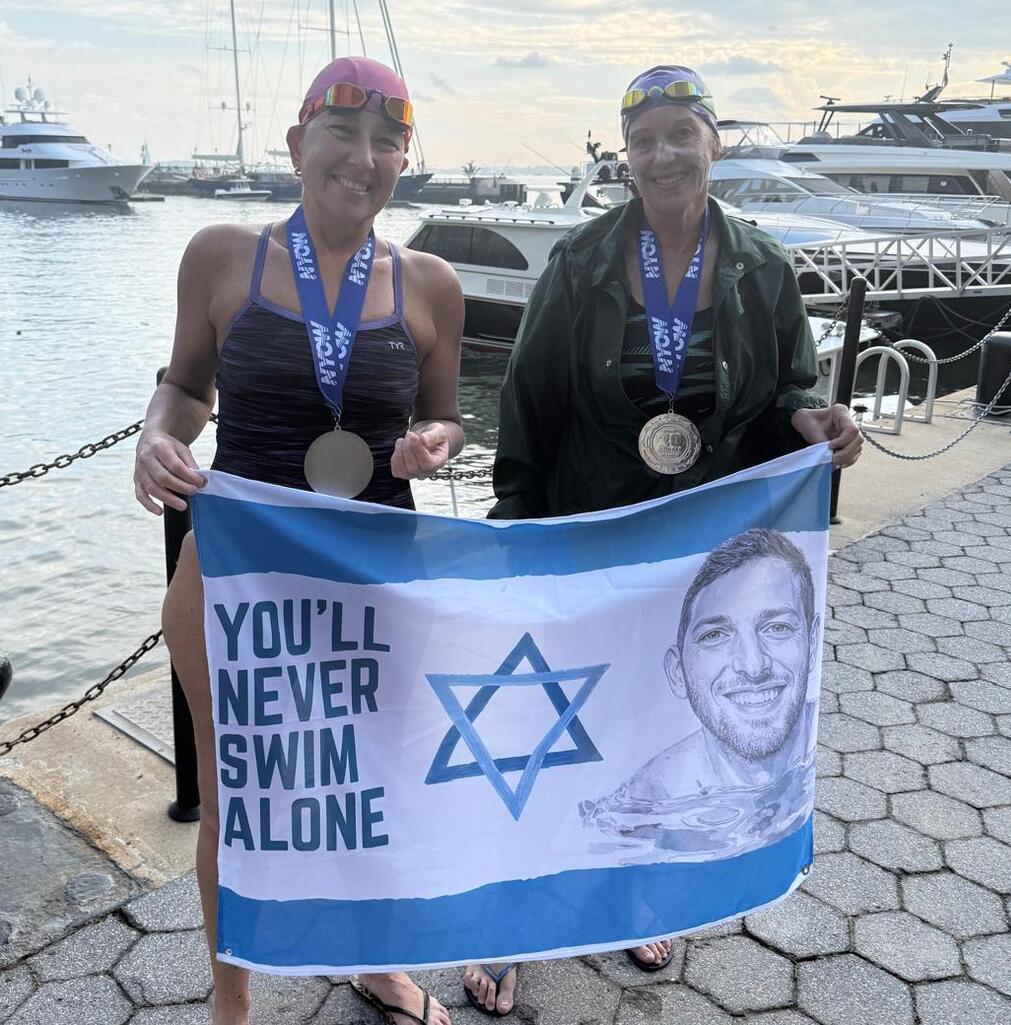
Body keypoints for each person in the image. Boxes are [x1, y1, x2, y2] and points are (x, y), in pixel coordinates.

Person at [481, 63, 861, 993]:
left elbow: (789, 388)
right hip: (591, 535)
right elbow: (528, 408)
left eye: (679, 135)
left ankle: (638, 897)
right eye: (643, 140)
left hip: (700, 552)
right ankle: (512, 924)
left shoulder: (763, 266)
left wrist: (816, 420)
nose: (662, 154)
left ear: (712, 143)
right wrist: (516, 536)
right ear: (626, 156)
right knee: (552, 721)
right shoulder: (579, 264)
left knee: (655, 720)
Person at [134, 57, 463, 1025]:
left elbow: (444, 420)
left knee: (373, 783)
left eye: (386, 143)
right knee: (237, 794)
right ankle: (231, 998)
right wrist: (160, 435)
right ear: (295, 144)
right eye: (342, 134)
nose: (363, 159)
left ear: (404, 161)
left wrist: (436, 442)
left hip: (375, 577)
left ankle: (379, 961)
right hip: (236, 572)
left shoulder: (431, 283)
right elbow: (186, 388)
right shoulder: (220, 255)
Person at [581, 528, 820, 860]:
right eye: (716, 635)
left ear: (813, 642)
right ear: (678, 673)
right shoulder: (644, 802)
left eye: (777, 628)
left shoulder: (836, 748)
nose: (753, 666)